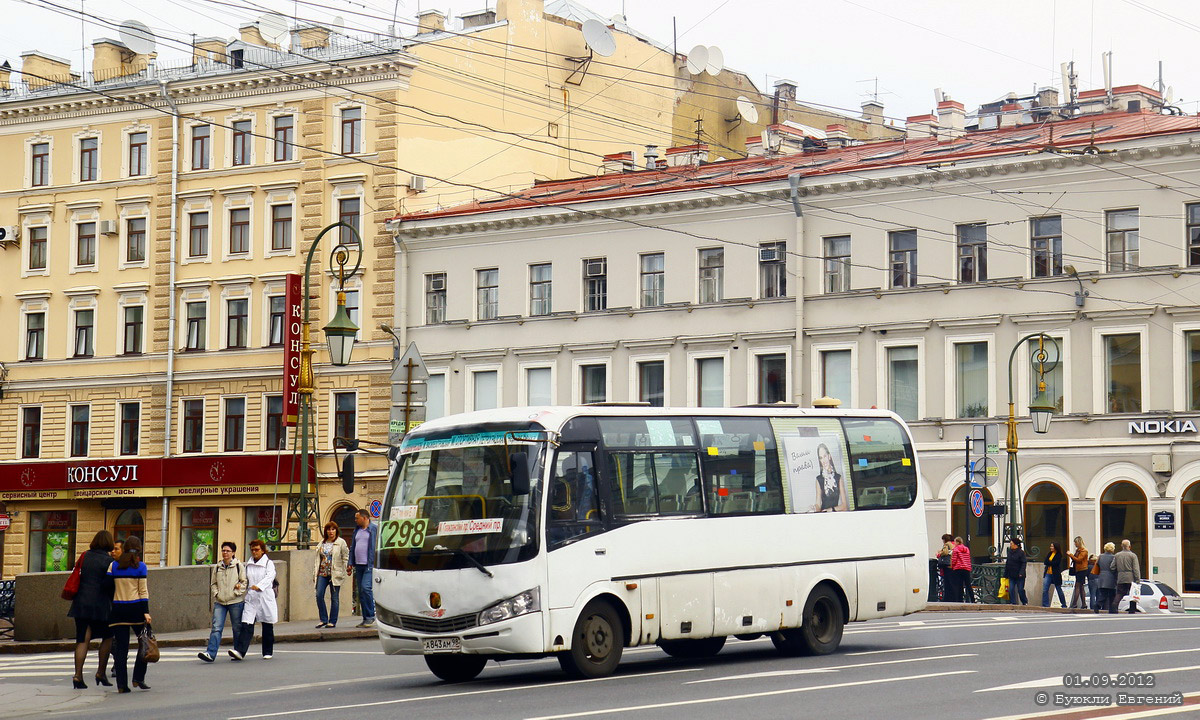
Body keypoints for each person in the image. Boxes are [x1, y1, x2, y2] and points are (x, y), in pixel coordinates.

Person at [68, 531, 116, 689]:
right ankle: (100, 673)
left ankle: (78, 676)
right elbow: (110, 585)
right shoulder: (110, 561)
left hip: (81, 603)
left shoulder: (84, 556)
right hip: (101, 605)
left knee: (82, 640)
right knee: (108, 637)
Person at [107, 535, 151, 693]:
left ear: (125, 549)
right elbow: (143, 591)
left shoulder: (113, 566)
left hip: (118, 610)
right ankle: (138, 678)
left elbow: (107, 587)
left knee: (121, 649)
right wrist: (146, 612)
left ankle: (121, 685)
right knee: (144, 645)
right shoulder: (141, 566)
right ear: (139, 549)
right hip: (136, 610)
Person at [198, 541, 246, 663]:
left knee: (237, 628)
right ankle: (210, 653)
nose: (225, 553)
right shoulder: (217, 567)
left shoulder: (238, 566)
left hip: (235, 601)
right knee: (216, 628)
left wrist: (235, 593)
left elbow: (244, 582)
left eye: (228, 551)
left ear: (233, 553)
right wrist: (216, 593)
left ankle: (238, 651)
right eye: (223, 550)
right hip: (220, 602)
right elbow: (213, 583)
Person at [231, 539, 277, 660]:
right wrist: (240, 585)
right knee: (247, 623)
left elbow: (270, 577)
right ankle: (240, 651)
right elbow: (245, 579)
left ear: (262, 550)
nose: (254, 552)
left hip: (265, 597)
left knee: (267, 624)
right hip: (252, 597)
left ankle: (267, 651)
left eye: (257, 549)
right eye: (252, 550)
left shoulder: (268, 563)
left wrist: (260, 586)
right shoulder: (248, 564)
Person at [313, 522, 349, 628]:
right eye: (329, 529)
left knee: (334, 597)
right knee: (319, 595)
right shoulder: (321, 543)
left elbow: (345, 556)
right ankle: (323, 619)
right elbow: (317, 560)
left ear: (336, 531)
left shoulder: (341, 542)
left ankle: (332, 621)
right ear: (326, 531)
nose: (331, 532)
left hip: (335, 573)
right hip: (322, 573)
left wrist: (346, 568)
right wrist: (314, 573)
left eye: (333, 529)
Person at [348, 509, 378, 628]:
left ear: (365, 518)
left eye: (357, 518)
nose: (355, 520)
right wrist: (350, 562)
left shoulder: (373, 529)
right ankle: (366, 618)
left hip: (369, 565)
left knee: (366, 588)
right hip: (358, 565)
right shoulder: (357, 530)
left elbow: (376, 546)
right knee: (360, 592)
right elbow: (352, 547)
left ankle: (371, 616)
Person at [814, 443, 847, 511]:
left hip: (835, 515)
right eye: (821, 458)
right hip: (823, 516)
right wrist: (814, 508)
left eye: (825, 456)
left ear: (829, 456)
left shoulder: (838, 478)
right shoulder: (819, 479)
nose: (823, 460)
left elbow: (844, 505)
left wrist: (831, 509)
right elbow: (818, 504)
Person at [1113, 539, 1142, 614]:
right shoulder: (1133, 555)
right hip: (1130, 578)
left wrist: (1117, 573)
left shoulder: (1117, 555)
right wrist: (1137, 579)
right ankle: (1132, 609)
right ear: (1129, 546)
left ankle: (1114, 606)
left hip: (1121, 577)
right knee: (1132, 594)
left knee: (1119, 593)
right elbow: (1136, 569)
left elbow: (1112, 567)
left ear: (1121, 546)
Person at [1041, 541, 1067, 608]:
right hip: (1048, 573)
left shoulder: (1058, 554)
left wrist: (1049, 562)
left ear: (1055, 547)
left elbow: (1056, 563)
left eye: (1052, 546)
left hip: (1055, 574)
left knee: (1058, 589)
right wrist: (1050, 562)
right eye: (1051, 546)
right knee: (1045, 589)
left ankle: (1063, 604)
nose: (1051, 547)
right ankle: (1045, 604)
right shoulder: (1049, 553)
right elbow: (1045, 562)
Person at [1003, 538, 1028, 606]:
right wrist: (1005, 574)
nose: (1010, 545)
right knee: (1011, 589)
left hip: (1019, 575)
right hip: (1011, 574)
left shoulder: (1021, 553)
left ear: (1016, 545)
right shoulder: (1010, 552)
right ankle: (1013, 602)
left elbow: (1023, 563)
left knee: (1020, 589)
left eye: (1011, 544)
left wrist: (1021, 572)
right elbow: (1008, 563)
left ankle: (1024, 601)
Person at [950, 536, 973, 603]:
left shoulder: (956, 549)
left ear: (957, 542)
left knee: (959, 585)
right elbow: (968, 558)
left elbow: (954, 559)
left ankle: (960, 599)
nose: (954, 543)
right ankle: (972, 599)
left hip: (958, 568)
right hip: (966, 568)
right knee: (968, 584)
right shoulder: (966, 549)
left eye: (955, 542)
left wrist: (952, 566)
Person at [1068, 536, 1089, 609]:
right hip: (1078, 569)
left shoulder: (1084, 551)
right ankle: (1083, 604)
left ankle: (1074, 604)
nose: (1075, 544)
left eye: (1075, 542)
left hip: (1082, 570)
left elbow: (1079, 560)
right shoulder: (1078, 550)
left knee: (1077, 586)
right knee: (1081, 586)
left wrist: (1070, 555)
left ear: (1079, 542)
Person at [1097, 542, 1118, 613]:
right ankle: (1112, 609)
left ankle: (1098, 605)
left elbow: (1097, 565)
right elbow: (1114, 567)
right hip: (1111, 577)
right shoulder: (1114, 557)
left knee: (1103, 593)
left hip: (1101, 576)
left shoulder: (1100, 556)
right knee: (1112, 594)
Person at [936, 534, 955, 601]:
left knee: (947, 583)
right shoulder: (954, 544)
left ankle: (947, 598)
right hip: (954, 566)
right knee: (952, 582)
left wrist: (939, 554)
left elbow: (945, 552)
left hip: (947, 566)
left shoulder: (947, 544)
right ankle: (953, 598)